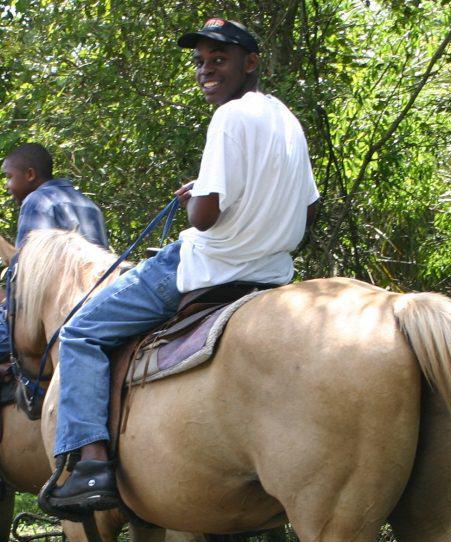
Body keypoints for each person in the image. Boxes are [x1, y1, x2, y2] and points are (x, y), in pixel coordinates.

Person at [45, 18, 319, 514]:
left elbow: (206, 218)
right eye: (201, 61)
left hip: (210, 267)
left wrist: (199, 199)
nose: (207, 69)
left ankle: (90, 466)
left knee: (81, 332)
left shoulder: (229, 117)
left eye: (220, 58)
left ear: (250, 63)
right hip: (271, 272)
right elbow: (308, 210)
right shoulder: (285, 120)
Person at [0, 144, 109, 496]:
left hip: (49, 312)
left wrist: (7, 294)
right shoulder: (87, 203)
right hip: (96, 306)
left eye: (9, 177)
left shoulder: (37, 202)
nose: (8, 185)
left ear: (30, 175)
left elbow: (27, 274)